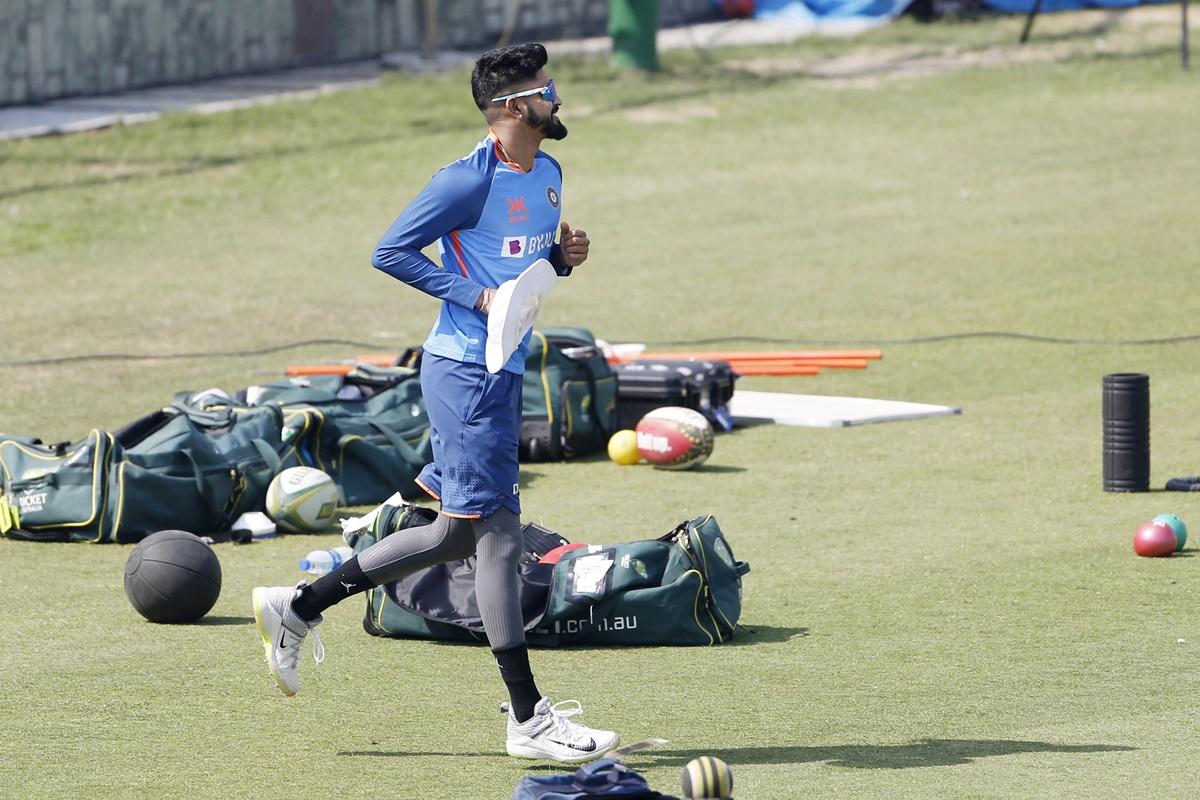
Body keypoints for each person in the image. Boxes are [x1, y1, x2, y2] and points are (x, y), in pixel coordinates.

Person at [251, 43, 619, 764]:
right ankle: (528, 718)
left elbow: (522, 270)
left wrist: (561, 259)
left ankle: (297, 606)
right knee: (499, 539)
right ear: (514, 108)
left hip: (499, 373)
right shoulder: (461, 183)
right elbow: (392, 251)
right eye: (549, 91)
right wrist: (474, 296)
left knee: (455, 534)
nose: (559, 100)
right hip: (465, 375)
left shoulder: (548, 170)